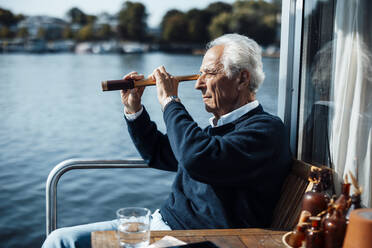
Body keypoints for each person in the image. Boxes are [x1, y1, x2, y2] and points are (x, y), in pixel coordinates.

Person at [42, 33, 292, 248]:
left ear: (242, 78)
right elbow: (160, 153)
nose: (198, 85)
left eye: (208, 73)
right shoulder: (221, 129)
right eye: (199, 74)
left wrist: (170, 101)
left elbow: (197, 158)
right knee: (61, 240)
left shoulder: (265, 131)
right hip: (159, 225)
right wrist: (134, 110)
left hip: (194, 239)